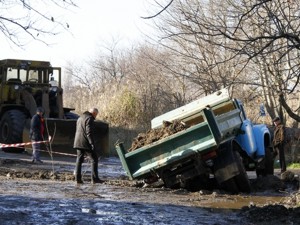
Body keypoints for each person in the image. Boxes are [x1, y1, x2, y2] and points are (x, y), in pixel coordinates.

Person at [73, 108, 103, 184]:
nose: (95, 117)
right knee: (94, 159)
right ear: (94, 113)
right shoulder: (90, 118)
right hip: (85, 143)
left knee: (79, 160)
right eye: (96, 115)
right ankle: (95, 179)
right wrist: (92, 143)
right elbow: (88, 132)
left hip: (77, 142)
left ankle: (78, 179)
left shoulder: (80, 118)